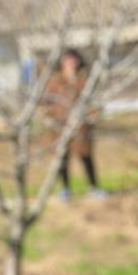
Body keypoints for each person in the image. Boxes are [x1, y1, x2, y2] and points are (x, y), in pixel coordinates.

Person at [45, 48, 105, 200]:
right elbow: (46, 103)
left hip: (81, 126)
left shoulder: (85, 81)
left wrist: (91, 116)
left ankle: (94, 187)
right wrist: (50, 118)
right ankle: (65, 189)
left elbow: (95, 103)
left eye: (73, 60)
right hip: (60, 127)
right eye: (67, 60)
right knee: (62, 158)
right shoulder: (55, 82)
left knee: (86, 156)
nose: (71, 63)